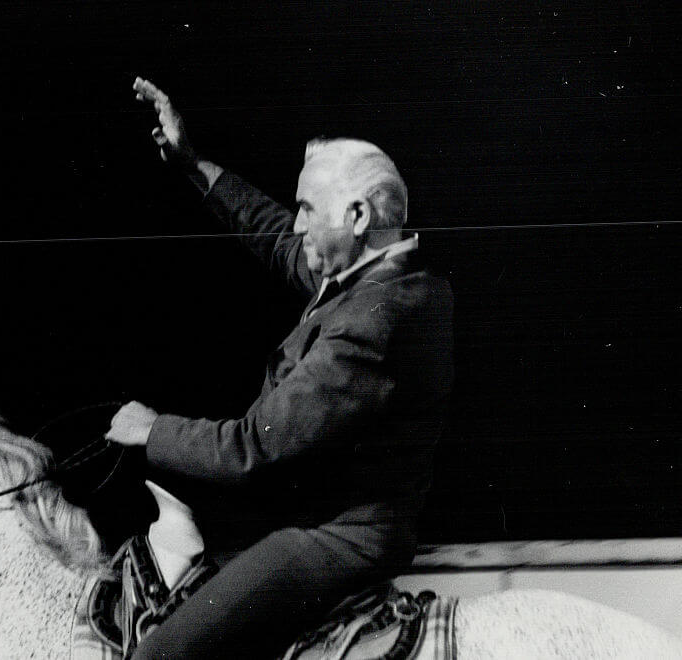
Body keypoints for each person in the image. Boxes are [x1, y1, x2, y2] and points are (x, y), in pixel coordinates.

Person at [105, 77, 454, 659]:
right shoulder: (379, 278)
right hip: (325, 520)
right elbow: (274, 236)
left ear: (358, 216)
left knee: (155, 657)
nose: (297, 225)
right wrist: (193, 164)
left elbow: (254, 448)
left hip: (335, 538)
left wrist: (153, 429)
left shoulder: (372, 319)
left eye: (308, 209)